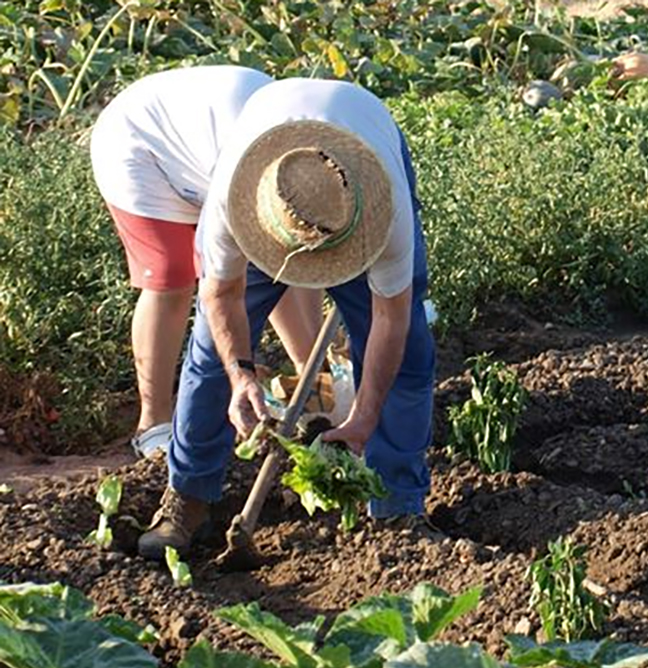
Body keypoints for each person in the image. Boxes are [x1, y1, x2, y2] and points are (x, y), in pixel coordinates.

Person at [136, 77, 436, 560]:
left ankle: (398, 507)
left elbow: (391, 319)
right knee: (213, 352)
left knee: (409, 358)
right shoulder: (233, 203)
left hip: (363, 141)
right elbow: (220, 294)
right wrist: (241, 377)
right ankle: (187, 499)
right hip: (270, 160)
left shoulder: (386, 214)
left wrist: (364, 416)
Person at [90, 66, 324, 458]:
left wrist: (313, 369)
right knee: (170, 278)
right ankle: (153, 422)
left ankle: (310, 385)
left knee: (302, 249)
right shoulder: (244, 169)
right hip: (138, 142)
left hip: (201, 133)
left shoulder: (315, 161)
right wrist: (247, 371)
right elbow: (237, 279)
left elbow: (302, 264)